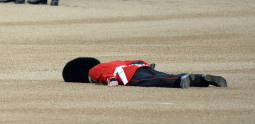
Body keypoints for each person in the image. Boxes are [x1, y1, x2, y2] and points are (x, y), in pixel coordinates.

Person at [63, 57, 227, 89]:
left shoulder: (92, 71)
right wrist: (144, 64)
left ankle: (180, 80)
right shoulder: (112, 61)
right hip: (139, 67)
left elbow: (102, 75)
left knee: (159, 80)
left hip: (130, 76)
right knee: (165, 74)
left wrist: (112, 80)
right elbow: (129, 61)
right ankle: (200, 79)